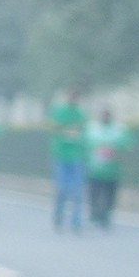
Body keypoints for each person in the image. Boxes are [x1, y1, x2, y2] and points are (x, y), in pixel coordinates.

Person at [47, 88, 89, 232]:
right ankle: (58, 218)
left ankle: (76, 222)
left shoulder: (81, 114)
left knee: (77, 192)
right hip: (61, 156)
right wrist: (65, 131)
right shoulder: (59, 112)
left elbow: (84, 133)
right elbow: (54, 128)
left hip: (77, 157)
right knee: (62, 190)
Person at [86, 108, 129, 230]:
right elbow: (84, 144)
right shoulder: (92, 129)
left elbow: (127, 144)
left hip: (112, 171)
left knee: (110, 196)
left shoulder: (118, 130)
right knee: (94, 194)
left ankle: (106, 217)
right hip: (95, 171)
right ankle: (95, 213)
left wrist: (117, 150)